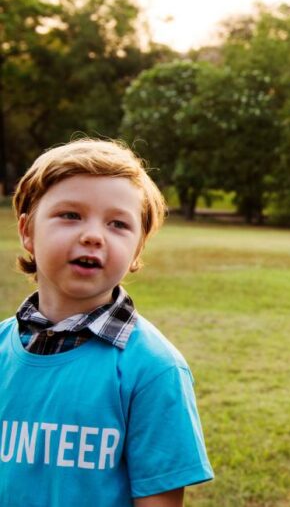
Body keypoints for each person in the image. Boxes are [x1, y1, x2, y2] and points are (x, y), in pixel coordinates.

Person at [0, 139, 213, 506]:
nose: (93, 236)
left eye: (117, 224)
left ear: (137, 251)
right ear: (27, 232)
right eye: (70, 215)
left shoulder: (154, 369)